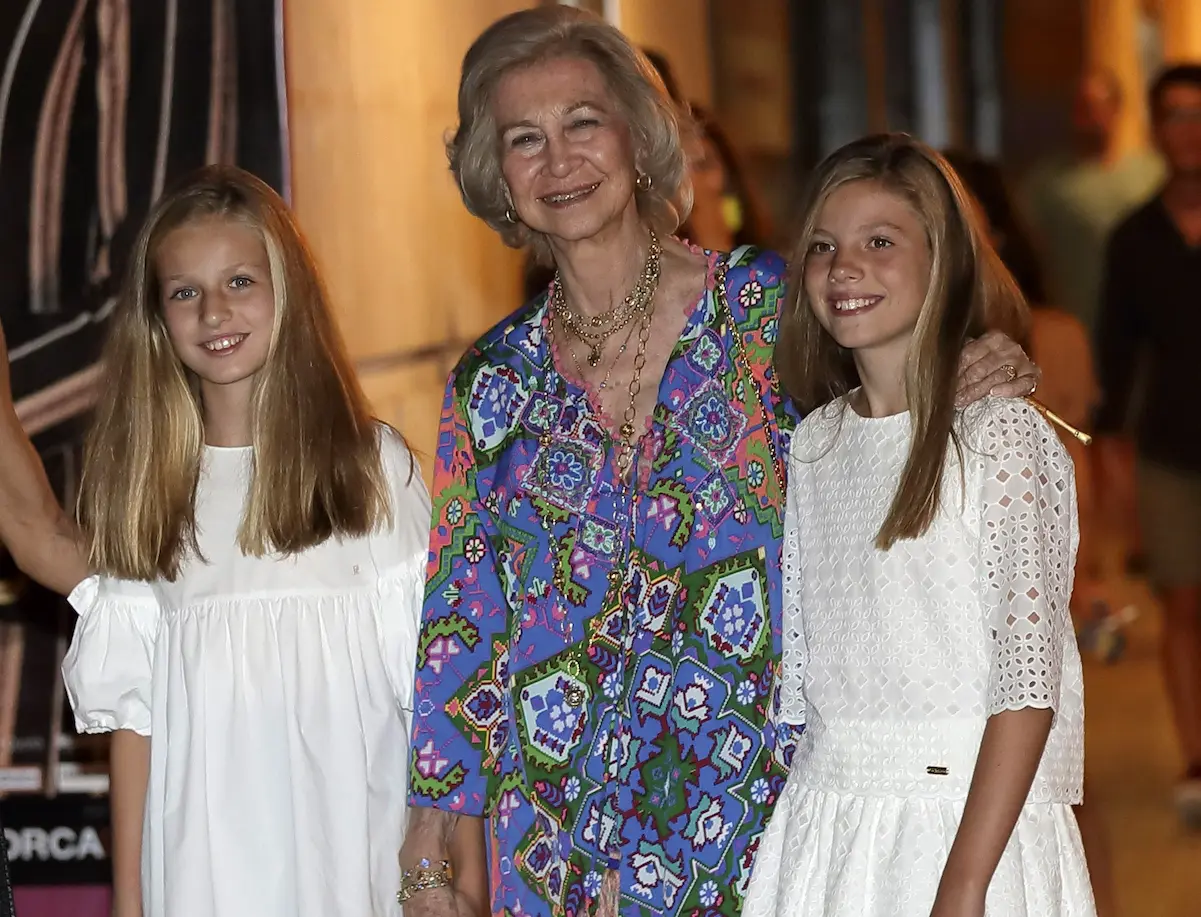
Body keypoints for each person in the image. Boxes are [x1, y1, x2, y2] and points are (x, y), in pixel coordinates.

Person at [398, 9, 1039, 917]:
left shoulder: (769, 312)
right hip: (555, 846)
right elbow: (461, 631)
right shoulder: (489, 385)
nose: (559, 160)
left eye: (583, 122)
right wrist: (430, 846)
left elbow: (908, 378)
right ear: (496, 175)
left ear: (637, 135)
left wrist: (979, 360)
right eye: (523, 139)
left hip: (760, 827)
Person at [0, 165, 484, 917]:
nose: (213, 311)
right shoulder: (150, 493)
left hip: (351, 860)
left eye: (239, 282)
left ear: (286, 290)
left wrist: (461, 881)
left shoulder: (370, 469)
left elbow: (439, 692)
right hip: (206, 875)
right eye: (184, 292)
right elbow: (138, 722)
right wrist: (130, 904)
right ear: (157, 320)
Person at [742, 134, 1094, 917]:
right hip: (830, 824)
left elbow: (1025, 683)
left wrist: (964, 882)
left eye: (880, 241)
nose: (845, 267)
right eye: (823, 247)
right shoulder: (815, 443)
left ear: (944, 261)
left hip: (965, 831)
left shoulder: (998, 436)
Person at [1095, 64, 1201, 827]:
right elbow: (1114, 356)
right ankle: (1196, 759)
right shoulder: (1134, 237)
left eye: (1199, 114)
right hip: (1170, 448)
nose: (1187, 130)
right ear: (1155, 129)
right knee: (1182, 604)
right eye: (1172, 115)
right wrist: (1113, 462)